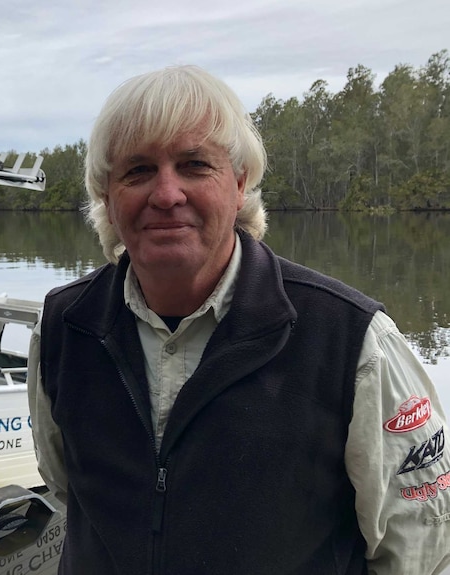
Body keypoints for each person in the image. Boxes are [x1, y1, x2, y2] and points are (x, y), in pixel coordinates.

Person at [27, 65, 450, 575]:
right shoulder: (63, 327)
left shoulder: (352, 341)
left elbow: (423, 545)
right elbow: (66, 486)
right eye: (137, 171)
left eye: (194, 165)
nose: (165, 194)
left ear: (240, 182)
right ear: (107, 197)